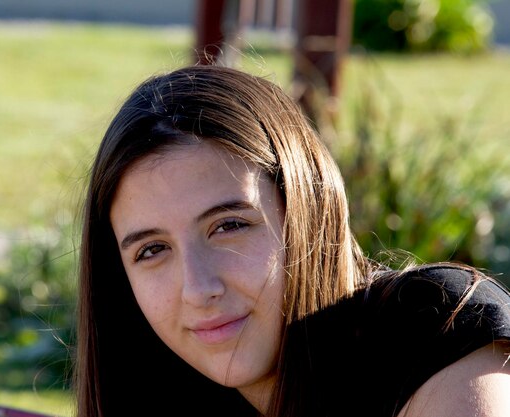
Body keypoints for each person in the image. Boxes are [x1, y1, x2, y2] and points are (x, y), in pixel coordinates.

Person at [74, 65, 510, 417]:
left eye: (228, 226)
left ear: (306, 208)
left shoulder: (436, 333)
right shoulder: (161, 389)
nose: (199, 289)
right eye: (152, 250)